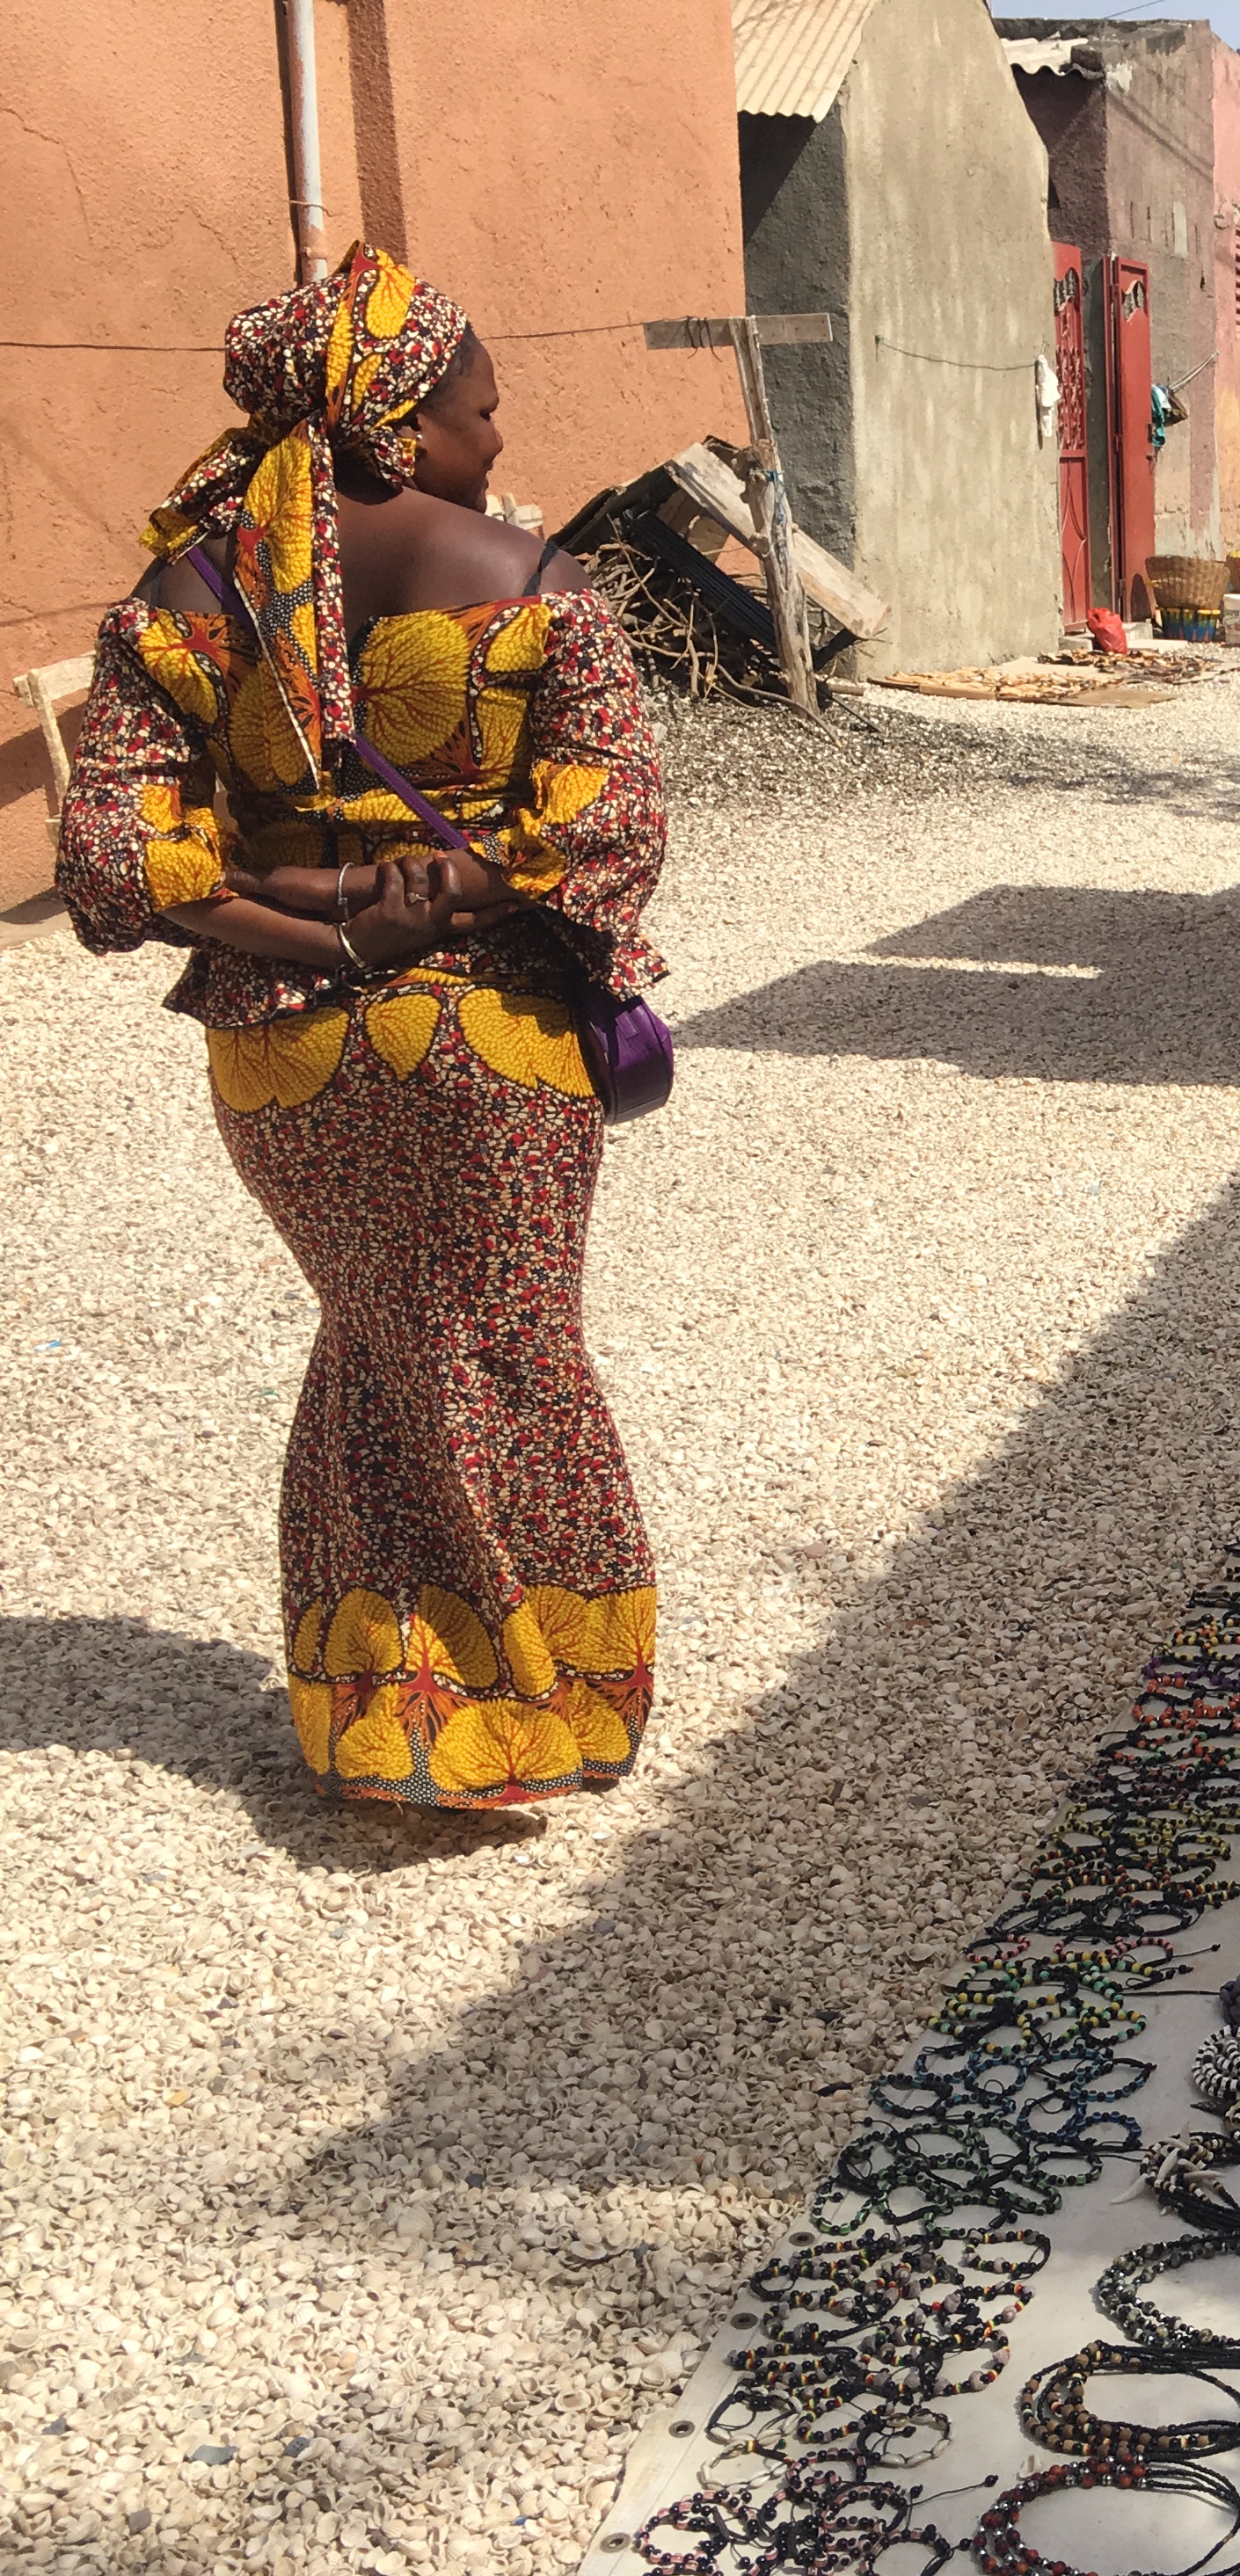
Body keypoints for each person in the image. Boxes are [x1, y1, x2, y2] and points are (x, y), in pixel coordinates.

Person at [55, 245, 667, 1824]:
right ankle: (537, 1703)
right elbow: (605, 826)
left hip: (282, 1056)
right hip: (497, 1045)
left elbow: (113, 860)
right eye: (479, 413)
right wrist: (437, 898)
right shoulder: (542, 589)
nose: (497, 444)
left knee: (384, 1344)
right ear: (396, 424)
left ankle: (384, 1711)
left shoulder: (185, 601)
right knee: (509, 1351)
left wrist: (310, 923)